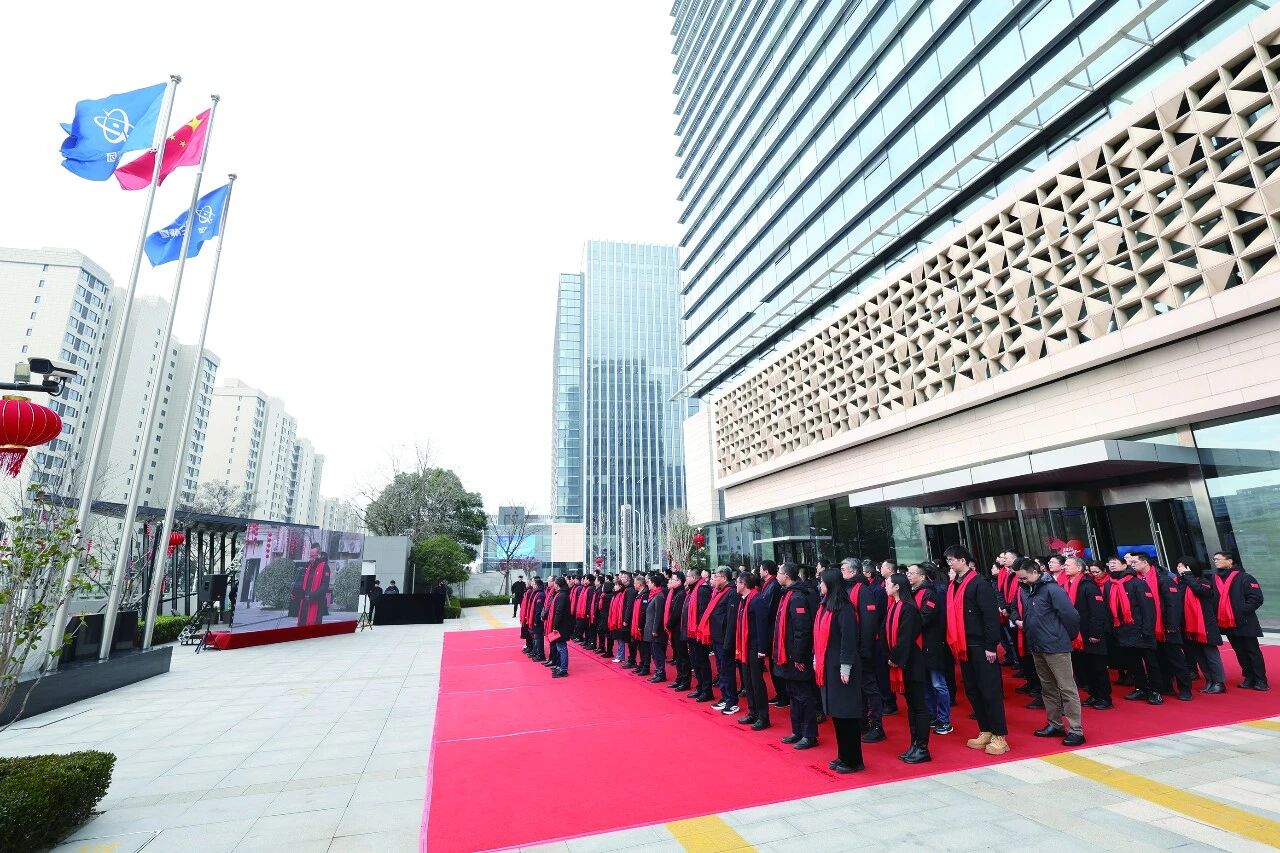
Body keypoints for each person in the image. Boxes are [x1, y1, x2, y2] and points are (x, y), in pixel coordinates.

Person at [944, 544, 1009, 756]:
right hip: (964, 645)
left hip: (981, 645)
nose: (949, 564)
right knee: (973, 689)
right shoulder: (954, 584)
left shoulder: (979, 583)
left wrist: (991, 645)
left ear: (963, 560)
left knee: (990, 690)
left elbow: (990, 616)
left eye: (952, 560)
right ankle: (986, 730)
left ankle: (999, 735)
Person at [1013, 558, 1085, 747]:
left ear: (1035, 572)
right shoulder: (1026, 590)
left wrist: (1065, 636)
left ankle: (1076, 730)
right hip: (1037, 645)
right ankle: (1055, 724)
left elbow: (1071, 615)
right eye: (1019, 578)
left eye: (1024, 577)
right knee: (1048, 688)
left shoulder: (1052, 589)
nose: (1021, 581)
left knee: (1067, 688)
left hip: (1056, 646)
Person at [814, 566, 864, 773]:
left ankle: (853, 760)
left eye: (822, 582)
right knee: (837, 714)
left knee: (847, 714)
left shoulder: (844, 608)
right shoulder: (826, 605)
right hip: (829, 666)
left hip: (842, 667)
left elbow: (848, 640)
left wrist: (845, 666)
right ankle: (844, 755)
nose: (820, 585)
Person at [884, 572, 932, 763]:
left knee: (919, 706)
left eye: (888, 583)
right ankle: (915, 745)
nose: (885, 586)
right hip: (904, 662)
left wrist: (894, 658)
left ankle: (922, 748)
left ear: (897, 587)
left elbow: (906, 637)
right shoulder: (895, 606)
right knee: (912, 706)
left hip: (912, 662)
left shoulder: (908, 608)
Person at [841, 557, 887, 743]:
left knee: (869, 686)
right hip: (854, 646)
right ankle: (863, 722)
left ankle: (877, 726)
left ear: (853, 571)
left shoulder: (863, 590)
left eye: (843, 569)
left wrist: (865, 648)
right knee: (859, 686)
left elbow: (869, 621)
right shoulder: (849, 588)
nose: (841, 572)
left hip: (863, 647)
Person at [773, 563, 818, 749]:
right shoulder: (788, 594)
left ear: (786, 576)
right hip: (788, 654)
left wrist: (798, 656)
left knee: (803, 695)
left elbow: (802, 630)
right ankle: (797, 730)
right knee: (793, 694)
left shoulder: (798, 597)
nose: (777, 575)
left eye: (779, 572)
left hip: (797, 656)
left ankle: (809, 735)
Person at [1109, 555, 1164, 705]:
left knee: (1151, 662)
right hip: (1123, 631)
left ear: (1124, 565)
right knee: (1133, 663)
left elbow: (1148, 609)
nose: (1111, 566)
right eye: (1109, 563)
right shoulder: (1111, 585)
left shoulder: (1137, 583)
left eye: (1115, 563)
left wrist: (1147, 629)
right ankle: (1141, 688)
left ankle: (1156, 691)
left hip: (1141, 630)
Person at [1213, 551, 1269, 691]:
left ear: (1230, 561)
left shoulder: (1244, 577)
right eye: (1215, 559)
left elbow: (1256, 598)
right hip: (1227, 622)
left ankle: (1261, 680)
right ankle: (1249, 677)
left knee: (1252, 651)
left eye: (1219, 559)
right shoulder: (1215, 579)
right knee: (1240, 652)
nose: (1216, 561)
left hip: (1245, 621)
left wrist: (1240, 611)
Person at [907, 563, 951, 735]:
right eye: (908, 572)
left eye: (912, 573)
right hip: (919, 645)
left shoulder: (930, 593)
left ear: (922, 576)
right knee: (925, 684)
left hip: (931, 644)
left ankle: (944, 720)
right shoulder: (912, 593)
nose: (908, 575)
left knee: (938, 684)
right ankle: (932, 715)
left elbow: (926, 617)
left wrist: (908, 624)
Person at [1064, 557, 1112, 710]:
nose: (1065, 567)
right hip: (1078, 634)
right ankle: (1094, 694)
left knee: (1098, 667)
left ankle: (1105, 697)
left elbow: (1097, 612)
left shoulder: (1088, 586)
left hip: (1091, 633)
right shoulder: (1068, 584)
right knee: (1086, 667)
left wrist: (1095, 633)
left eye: (1068, 565)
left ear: (1079, 568)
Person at [1176, 556, 1226, 694]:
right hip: (1189, 625)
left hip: (1205, 624)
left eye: (1181, 566)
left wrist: (1188, 576)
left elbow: (1201, 591)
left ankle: (1219, 682)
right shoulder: (1181, 583)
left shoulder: (1203, 581)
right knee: (1199, 656)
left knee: (1211, 655)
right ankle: (1209, 680)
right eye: (1178, 566)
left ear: (1190, 567)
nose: (1179, 569)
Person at [736, 571, 770, 729]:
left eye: (737, 582)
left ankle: (763, 717)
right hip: (745, 647)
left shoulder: (757, 600)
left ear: (743, 584)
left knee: (757, 683)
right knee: (748, 681)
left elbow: (762, 626)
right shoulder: (744, 600)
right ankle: (752, 712)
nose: (736, 585)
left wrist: (762, 649)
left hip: (754, 648)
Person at [702, 568, 738, 712]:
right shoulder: (719, 592)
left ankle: (731, 701)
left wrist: (728, 641)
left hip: (725, 639)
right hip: (717, 637)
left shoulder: (731, 593)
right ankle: (725, 697)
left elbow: (731, 620)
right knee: (721, 669)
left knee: (727, 669)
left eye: (716, 577)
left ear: (724, 578)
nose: (713, 580)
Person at [758, 561, 787, 709]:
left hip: (772, 630)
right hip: (769, 629)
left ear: (766, 571)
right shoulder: (769, 584)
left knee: (776, 664)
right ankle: (781, 694)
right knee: (773, 664)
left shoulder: (773, 585)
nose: (759, 572)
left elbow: (768, 609)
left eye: (760, 569)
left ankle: (784, 695)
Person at [685, 569, 714, 702]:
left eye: (688, 576)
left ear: (695, 577)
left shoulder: (702, 590)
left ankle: (707, 690)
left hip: (699, 633)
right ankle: (700, 687)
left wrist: (698, 631)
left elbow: (703, 612)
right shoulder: (692, 589)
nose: (686, 578)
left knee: (702, 661)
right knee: (695, 661)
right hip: (691, 632)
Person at [293, 544, 330, 627]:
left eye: (313, 556)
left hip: (316, 602)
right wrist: (296, 592)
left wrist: (312, 595)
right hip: (305, 602)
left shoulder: (325, 567)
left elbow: (325, 586)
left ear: (318, 555)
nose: (311, 558)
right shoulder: (309, 567)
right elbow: (304, 584)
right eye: (310, 556)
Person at [665, 572, 689, 689]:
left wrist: (668, 625)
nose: (671, 581)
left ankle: (685, 681)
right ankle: (679, 678)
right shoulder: (675, 593)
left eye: (673, 579)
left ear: (679, 581)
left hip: (679, 629)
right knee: (678, 656)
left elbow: (676, 613)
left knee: (682, 656)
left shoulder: (681, 594)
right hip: (675, 629)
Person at [643, 573, 668, 683]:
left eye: (649, 582)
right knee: (654, 652)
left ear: (653, 584)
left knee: (658, 653)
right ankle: (658, 671)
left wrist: (655, 630)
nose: (647, 584)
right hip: (651, 629)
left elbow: (658, 614)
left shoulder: (659, 596)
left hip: (656, 631)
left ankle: (661, 673)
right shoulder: (654, 595)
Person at [547, 577, 572, 678]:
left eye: (555, 583)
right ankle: (560, 666)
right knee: (559, 647)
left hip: (562, 626)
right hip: (562, 625)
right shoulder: (561, 594)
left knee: (562, 647)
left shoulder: (562, 596)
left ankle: (563, 669)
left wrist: (555, 626)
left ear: (557, 585)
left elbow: (559, 612)